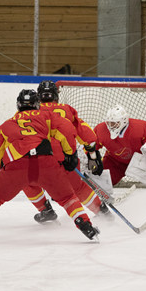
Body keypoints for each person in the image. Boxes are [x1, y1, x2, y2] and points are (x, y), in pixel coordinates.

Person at [0, 89, 100, 241]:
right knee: (68, 198)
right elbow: (67, 129)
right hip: (46, 164)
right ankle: (85, 225)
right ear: (37, 104)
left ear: (18, 105)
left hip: (17, 166)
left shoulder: (9, 123)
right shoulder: (47, 116)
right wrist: (70, 154)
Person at [23, 80, 111, 224]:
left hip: (40, 161)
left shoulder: (28, 112)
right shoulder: (67, 110)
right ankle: (101, 211)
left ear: (38, 96)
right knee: (78, 187)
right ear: (56, 96)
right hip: (67, 159)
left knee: (27, 181)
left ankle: (46, 211)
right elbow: (87, 135)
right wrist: (93, 155)